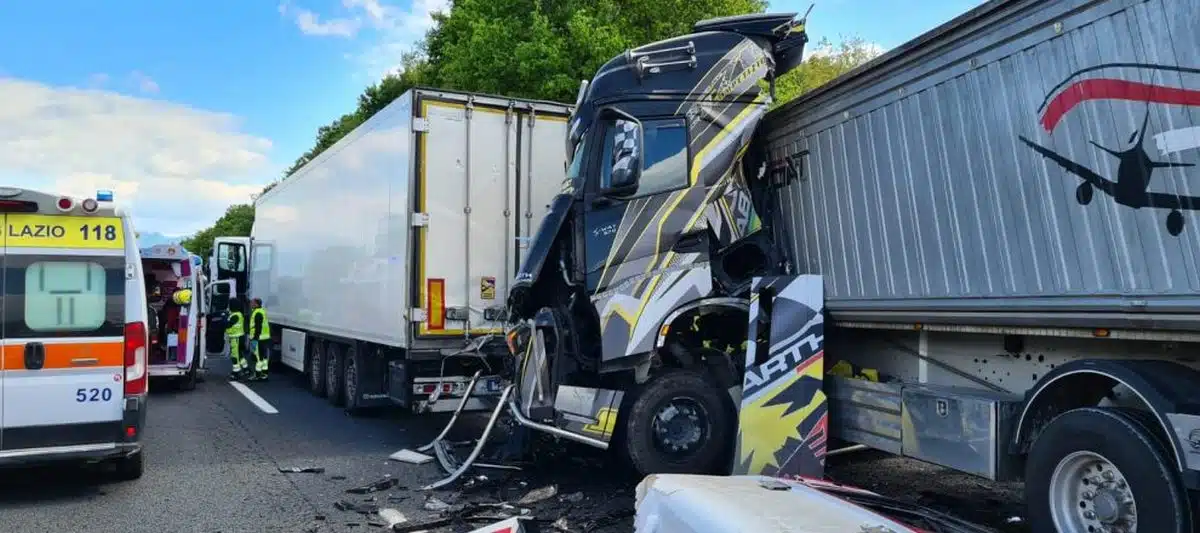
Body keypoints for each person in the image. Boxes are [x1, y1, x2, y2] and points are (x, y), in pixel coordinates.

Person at [225, 298, 249, 380]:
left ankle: (236, 372)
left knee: (234, 356)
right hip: (239, 337)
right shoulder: (238, 314)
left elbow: (228, 325)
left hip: (235, 338)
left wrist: (224, 320)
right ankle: (246, 369)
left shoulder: (235, 315)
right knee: (240, 354)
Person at [248, 298, 272, 382]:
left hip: (259, 339)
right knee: (264, 357)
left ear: (256, 304)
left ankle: (257, 375)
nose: (251, 304)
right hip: (265, 338)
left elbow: (258, 327)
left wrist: (255, 339)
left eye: (252, 303)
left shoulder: (257, 313)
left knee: (258, 358)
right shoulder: (262, 311)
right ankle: (264, 374)